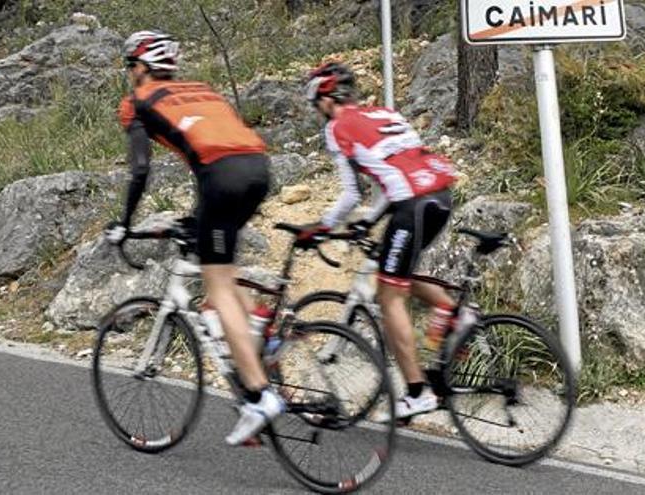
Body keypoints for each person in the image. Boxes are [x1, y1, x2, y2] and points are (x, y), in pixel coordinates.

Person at [105, 31, 283, 445]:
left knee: (216, 287)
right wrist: (195, 216)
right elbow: (216, 143)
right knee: (222, 265)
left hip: (220, 179)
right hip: (257, 170)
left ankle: (259, 396)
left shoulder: (137, 102)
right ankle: (261, 329)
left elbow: (140, 170)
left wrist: (124, 222)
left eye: (131, 65)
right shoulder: (203, 89)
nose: (130, 74)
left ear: (143, 67)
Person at [301, 63, 458, 418]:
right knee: (397, 272)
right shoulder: (384, 112)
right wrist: (371, 221)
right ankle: (449, 309)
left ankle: (417, 393)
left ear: (326, 99)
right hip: (440, 197)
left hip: (411, 205)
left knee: (389, 297)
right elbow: (398, 171)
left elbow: (351, 193)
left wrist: (323, 225)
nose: (317, 111)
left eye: (315, 104)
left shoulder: (336, 127)